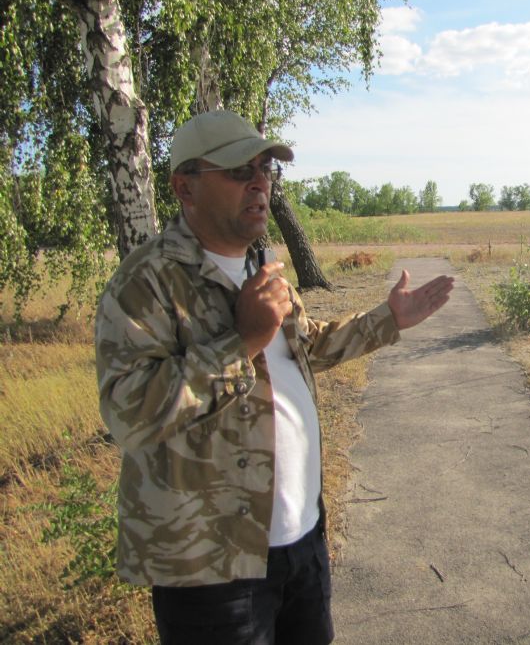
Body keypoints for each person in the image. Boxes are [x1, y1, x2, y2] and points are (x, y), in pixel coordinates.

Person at [94, 110, 454, 645]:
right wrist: (241, 342)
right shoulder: (145, 283)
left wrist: (387, 320)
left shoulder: (262, 266)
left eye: (265, 168)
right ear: (184, 187)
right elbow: (131, 415)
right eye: (239, 170)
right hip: (213, 566)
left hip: (302, 540)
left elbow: (302, 347)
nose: (260, 181)